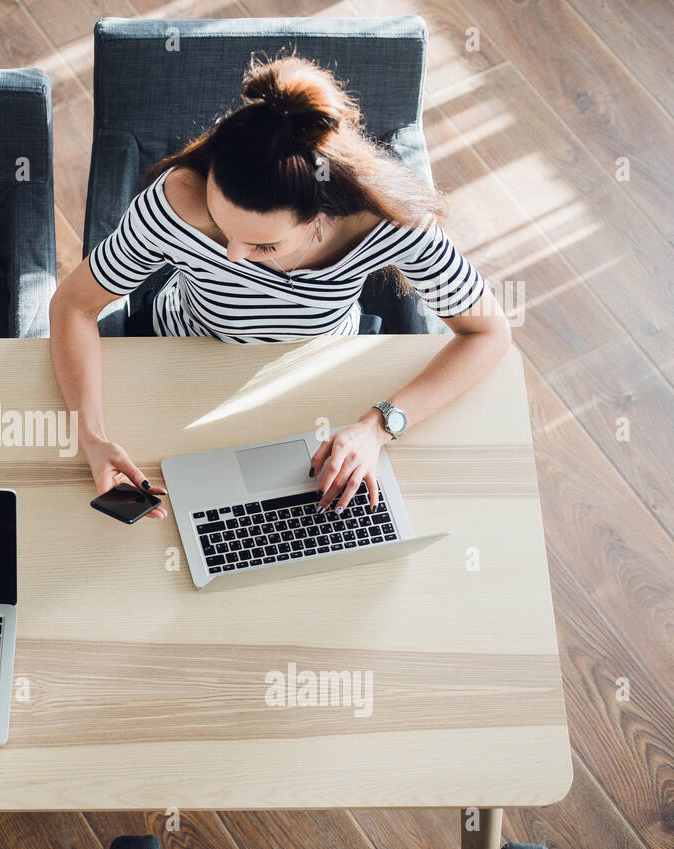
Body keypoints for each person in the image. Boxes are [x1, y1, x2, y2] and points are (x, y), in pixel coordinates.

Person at [50, 56, 511, 518]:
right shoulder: (176, 203)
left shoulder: (393, 223)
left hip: (320, 374)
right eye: (218, 223)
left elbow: (489, 333)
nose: (231, 257)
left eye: (262, 245)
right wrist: (92, 437)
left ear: (324, 215)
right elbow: (74, 305)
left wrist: (379, 425)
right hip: (183, 354)